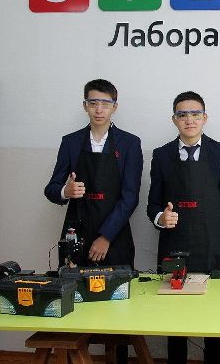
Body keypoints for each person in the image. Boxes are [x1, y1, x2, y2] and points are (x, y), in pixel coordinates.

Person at [44, 79, 142, 364]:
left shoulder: (130, 143)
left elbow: (130, 197)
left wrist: (106, 236)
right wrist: (66, 191)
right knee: (74, 303)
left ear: (115, 107)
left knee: (119, 307)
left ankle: (119, 358)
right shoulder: (71, 142)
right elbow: (51, 188)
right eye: (93, 103)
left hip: (116, 236)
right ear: (84, 105)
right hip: (78, 232)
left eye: (105, 103)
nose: (99, 109)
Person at [147, 91, 220, 364]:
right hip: (174, 248)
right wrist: (161, 218)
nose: (189, 120)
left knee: (214, 326)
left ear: (205, 118)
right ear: (174, 119)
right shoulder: (161, 155)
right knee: (175, 325)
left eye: (195, 114)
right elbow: (152, 204)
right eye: (182, 114)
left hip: (214, 250)